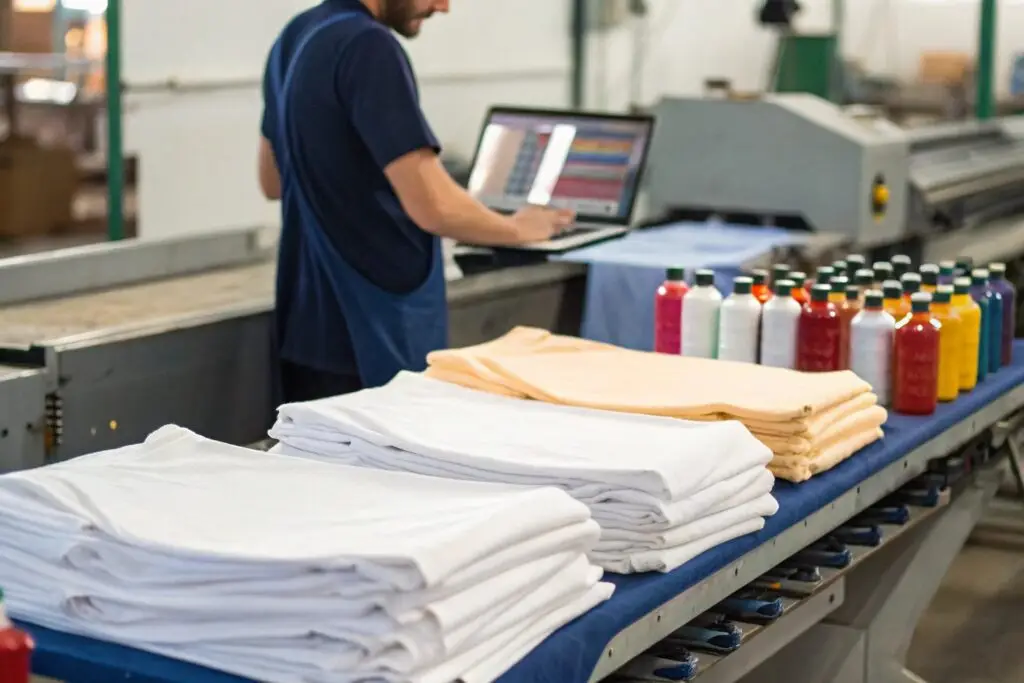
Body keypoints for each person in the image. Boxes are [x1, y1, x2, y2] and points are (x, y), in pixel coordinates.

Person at [259, 0, 574, 404]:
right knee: (388, 462)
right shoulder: (368, 45)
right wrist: (519, 228)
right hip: (372, 330)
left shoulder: (295, 36)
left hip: (309, 322)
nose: (442, 7)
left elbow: (272, 180)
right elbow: (434, 206)